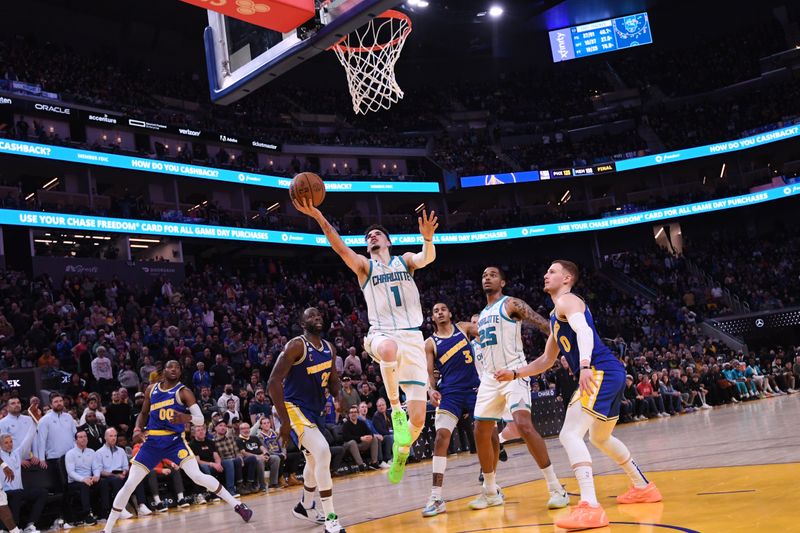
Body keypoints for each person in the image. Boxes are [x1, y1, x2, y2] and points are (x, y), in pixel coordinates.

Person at [496, 260, 661, 530]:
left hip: (599, 370)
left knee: (569, 434)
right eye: (546, 270)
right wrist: (515, 374)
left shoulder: (568, 300)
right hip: (609, 372)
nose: (545, 274)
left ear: (567, 278)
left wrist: (584, 365)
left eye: (552, 271)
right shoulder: (554, 314)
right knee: (599, 437)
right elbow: (546, 361)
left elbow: (584, 330)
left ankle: (590, 507)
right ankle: (642, 486)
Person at [294, 196, 439, 484]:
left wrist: (427, 240)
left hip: (412, 337)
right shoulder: (364, 266)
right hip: (381, 333)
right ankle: (396, 411)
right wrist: (318, 216)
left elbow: (427, 258)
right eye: (367, 236)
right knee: (388, 348)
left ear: (387, 241)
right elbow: (339, 246)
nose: (371, 237)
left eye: (376, 234)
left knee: (420, 420)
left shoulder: (404, 261)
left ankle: (401, 451)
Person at [102, 360, 252, 533]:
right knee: (129, 484)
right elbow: (143, 414)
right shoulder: (151, 389)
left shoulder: (184, 392)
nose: (173, 369)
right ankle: (107, 530)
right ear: (163, 371)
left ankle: (238, 505)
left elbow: (200, 419)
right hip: (152, 443)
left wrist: (184, 417)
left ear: (180, 372)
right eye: (170, 367)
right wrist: (137, 429)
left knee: (197, 476)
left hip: (175, 442)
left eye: (177, 367)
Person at [470, 266, 569, 511]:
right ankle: (491, 491)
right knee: (481, 431)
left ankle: (556, 487)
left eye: (492, 274)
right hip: (491, 379)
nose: (487, 277)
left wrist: (566, 341)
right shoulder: (481, 315)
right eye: (483, 275)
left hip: (514, 371)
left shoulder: (511, 303)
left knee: (523, 425)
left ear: (502, 282)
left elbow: (542, 323)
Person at [268, 307, 345, 533]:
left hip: (315, 410)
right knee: (322, 452)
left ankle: (305, 505)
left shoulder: (329, 348)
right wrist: (283, 422)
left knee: (313, 461)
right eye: (310, 316)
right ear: (302, 323)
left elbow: (333, 379)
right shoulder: (296, 346)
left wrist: (337, 392)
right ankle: (331, 518)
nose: (316, 317)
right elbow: (273, 383)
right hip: (294, 409)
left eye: (319, 314)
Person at [422, 302, 480, 517]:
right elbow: (429, 373)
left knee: (487, 434)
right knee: (441, 437)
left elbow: (489, 334)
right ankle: (436, 497)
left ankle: (492, 486)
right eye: (435, 310)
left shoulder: (464, 328)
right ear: (433, 318)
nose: (440, 312)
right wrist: (431, 390)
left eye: (443, 309)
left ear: (450, 312)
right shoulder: (430, 343)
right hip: (451, 394)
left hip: (475, 389)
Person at [1, 424, 45, 533]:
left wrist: (34, 423)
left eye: (10, 441)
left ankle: (30, 524)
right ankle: (11, 528)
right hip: (6, 492)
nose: (9, 444)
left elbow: (28, 438)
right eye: (6, 443)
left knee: (42, 492)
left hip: (19, 490)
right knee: (17, 495)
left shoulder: (17, 453)